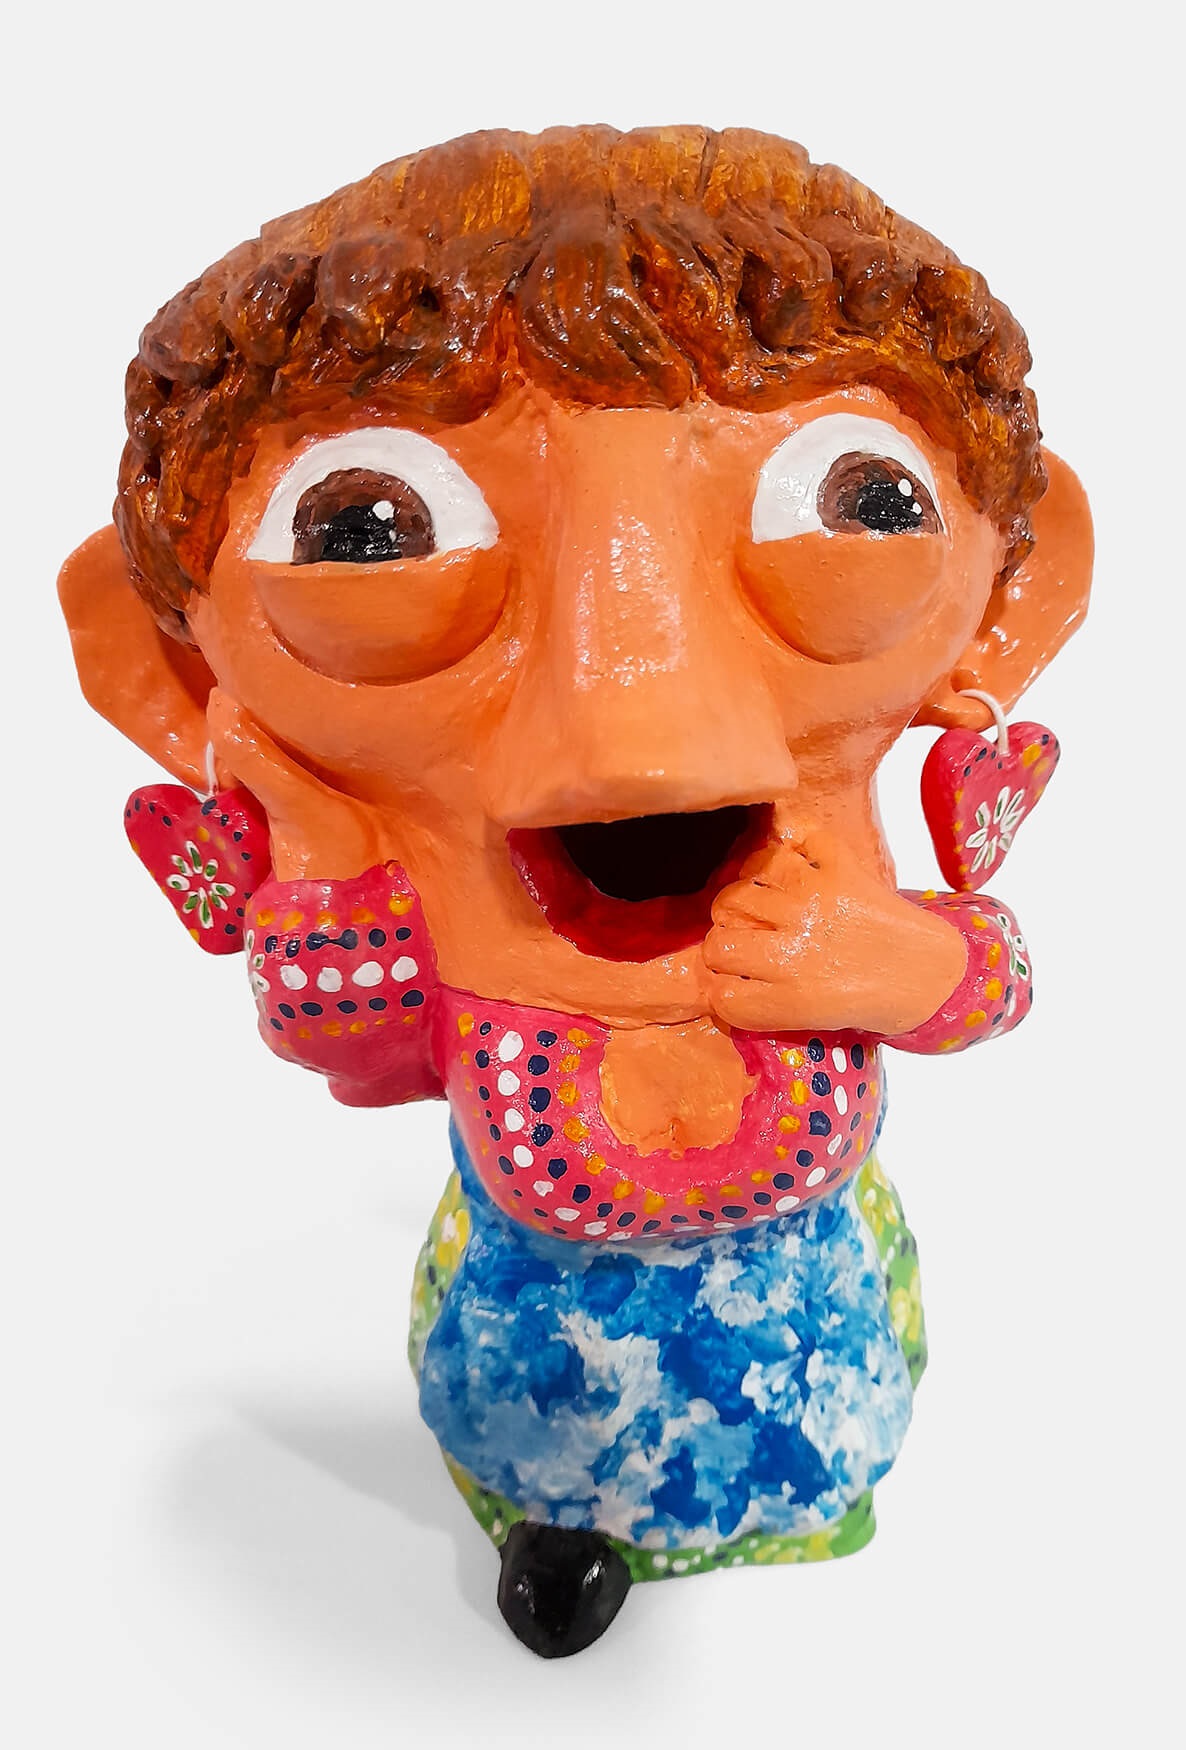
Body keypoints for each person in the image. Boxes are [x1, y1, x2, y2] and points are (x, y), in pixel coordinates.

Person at [59, 125, 1092, 1656]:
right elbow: (348, 1037)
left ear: (1010, 601)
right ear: (175, 671)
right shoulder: (415, 909)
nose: (636, 728)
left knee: (827, 1425)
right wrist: (313, 830)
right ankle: (559, 1524)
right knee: (533, 1426)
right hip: (534, 1335)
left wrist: (888, 960)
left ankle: (809, 1498)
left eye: (858, 505)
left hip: (814, 1312)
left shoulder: (846, 885)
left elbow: (993, 979)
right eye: (368, 533)